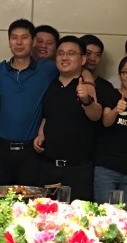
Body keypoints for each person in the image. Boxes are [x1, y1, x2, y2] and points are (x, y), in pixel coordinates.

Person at [0, 19, 58, 186]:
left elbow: (77, 69)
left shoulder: (47, 69)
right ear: (9, 41)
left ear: (33, 41)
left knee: (29, 199)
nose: (18, 42)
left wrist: (88, 82)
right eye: (14, 37)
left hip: (31, 151)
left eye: (24, 37)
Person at [34, 36, 102, 200]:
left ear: (83, 59)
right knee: (45, 212)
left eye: (71, 53)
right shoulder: (50, 84)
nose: (64, 58)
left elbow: (96, 115)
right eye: (60, 53)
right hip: (48, 166)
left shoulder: (89, 85)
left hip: (78, 169)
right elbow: (48, 115)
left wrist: (86, 100)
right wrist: (41, 133)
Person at [94, 55, 127, 205]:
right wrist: (116, 110)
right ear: (120, 75)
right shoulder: (111, 94)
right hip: (107, 168)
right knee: (105, 214)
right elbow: (106, 122)